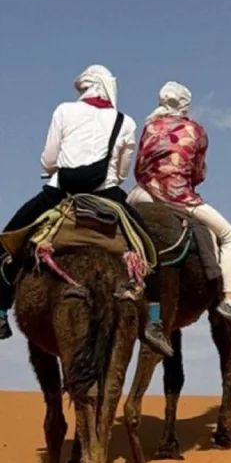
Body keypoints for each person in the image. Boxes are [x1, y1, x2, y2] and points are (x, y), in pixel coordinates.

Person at [0, 65, 173, 355]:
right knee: (148, 249)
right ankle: (154, 321)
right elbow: (122, 169)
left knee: (7, 241)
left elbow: (49, 158)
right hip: (107, 193)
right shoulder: (125, 121)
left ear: (85, 88)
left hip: (59, 191)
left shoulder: (64, 111)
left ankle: (1, 312)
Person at [127, 81, 231, 330]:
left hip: (143, 193)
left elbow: (139, 167)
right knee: (230, 237)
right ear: (185, 104)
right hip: (178, 196)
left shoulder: (150, 126)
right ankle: (230, 301)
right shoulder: (196, 131)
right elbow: (197, 172)